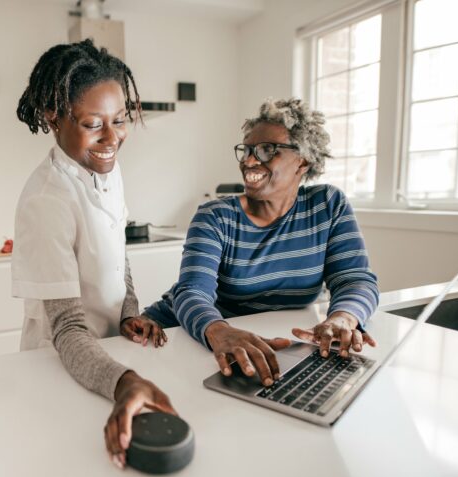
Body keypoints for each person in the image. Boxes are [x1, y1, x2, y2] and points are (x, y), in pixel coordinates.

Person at [11, 39, 176, 469]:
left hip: (106, 356)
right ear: (53, 116)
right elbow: (66, 327)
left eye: (120, 120)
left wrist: (128, 313)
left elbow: (118, 253)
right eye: (92, 123)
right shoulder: (46, 200)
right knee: (67, 467)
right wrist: (125, 383)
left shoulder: (106, 166)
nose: (112, 137)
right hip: (62, 361)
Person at [144, 98, 380, 386]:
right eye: (247, 150)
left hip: (263, 342)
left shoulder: (327, 205)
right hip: (183, 332)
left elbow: (355, 279)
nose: (249, 161)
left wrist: (343, 317)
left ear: (303, 160)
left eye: (268, 150)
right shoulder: (216, 217)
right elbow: (191, 292)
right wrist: (220, 330)